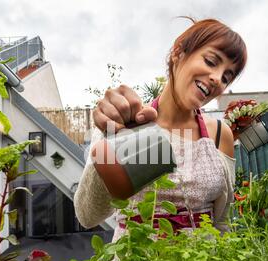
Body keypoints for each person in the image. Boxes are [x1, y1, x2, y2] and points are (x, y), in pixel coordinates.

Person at [74, 17, 247, 242]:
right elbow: (87, 216)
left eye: (226, 77)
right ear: (178, 52)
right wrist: (111, 141)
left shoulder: (219, 134)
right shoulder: (130, 124)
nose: (217, 79)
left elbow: (222, 221)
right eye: (211, 61)